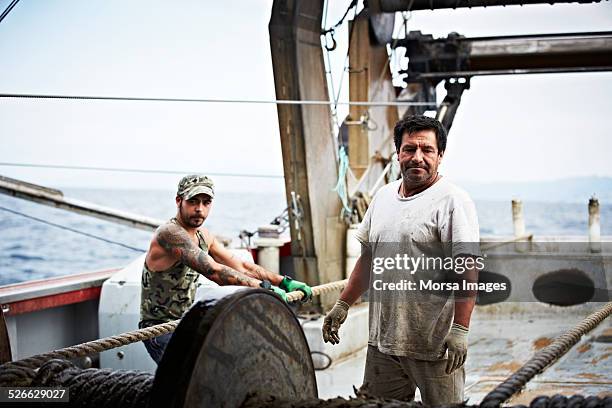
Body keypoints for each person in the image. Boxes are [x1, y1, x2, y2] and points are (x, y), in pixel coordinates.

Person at [322, 116, 480, 405]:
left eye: (427, 150)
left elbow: (466, 269)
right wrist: (342, 304)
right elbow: (368, 260)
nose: (417, 157)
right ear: (398, 154)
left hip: (435, 347)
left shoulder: (453, 201)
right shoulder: (382, 197)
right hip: (383, 345)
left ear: (440, 156)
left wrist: (460, 329)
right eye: (409, 149)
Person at [140, 174, 312, 364]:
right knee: (190, 381)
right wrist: (264, 288)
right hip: (159, 329)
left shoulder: (204, 235)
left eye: (206, 202)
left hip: (184, 323)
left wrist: (283, 281)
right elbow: (214, 272)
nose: (200, 209)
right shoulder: (170, 234)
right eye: (193, 201)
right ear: (178, 201)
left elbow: (241, 266)